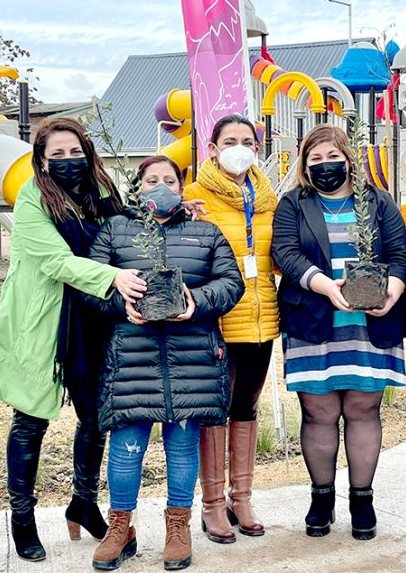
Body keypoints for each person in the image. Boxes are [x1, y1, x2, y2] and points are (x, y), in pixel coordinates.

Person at [0, 118, 147, 562]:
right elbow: (55, 261)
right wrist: (112, 277)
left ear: (88, 153)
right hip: (46, 320)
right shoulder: (32, 197)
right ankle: (21, 518)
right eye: (58, 155)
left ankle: (83, 503)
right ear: (42, 160)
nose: (69, 161)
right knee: (30, 419)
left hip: (94, 318)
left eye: (76, 152)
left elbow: (125, 230)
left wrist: (174, 213)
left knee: (95, 419)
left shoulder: (101, 191)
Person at [85, 155, 244, 571]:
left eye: (169, 180)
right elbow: (90, 285)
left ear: (181, 187)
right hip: (132, 359)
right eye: (151, 179)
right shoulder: (115, 230)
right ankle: (120, 527)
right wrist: (120, 304)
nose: (161, 186)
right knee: (125, 447)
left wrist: (196, 302)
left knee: (183, 445)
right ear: (137, 188)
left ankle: (178, 526)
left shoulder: (205, 232)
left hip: (192, 359)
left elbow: (232, 283)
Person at [272, 124, 406, 541]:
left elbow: (399, 254)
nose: (325, 164)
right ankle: (322, 497)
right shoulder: (293, 204)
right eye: (315, 158)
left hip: (370, 322)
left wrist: (393, 290)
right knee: (320, 412)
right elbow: (285, 253)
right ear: (304, 164)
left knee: (364, 410)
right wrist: (325, 285)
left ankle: (362, 500)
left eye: (333, 156)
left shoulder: (379, 201)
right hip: (313, 320)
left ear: (349, 159)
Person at [183, 114, 278, 542]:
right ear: (213, 148)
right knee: (214, 410)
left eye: (247, 141)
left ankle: (242, 499)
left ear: (257, 148)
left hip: (261, 320)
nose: (239, 148)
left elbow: (278, 256)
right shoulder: (194, 195)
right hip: (216, 322)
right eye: (229, 141)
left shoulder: (269, 197)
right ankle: (212, 504)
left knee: (246, 408)